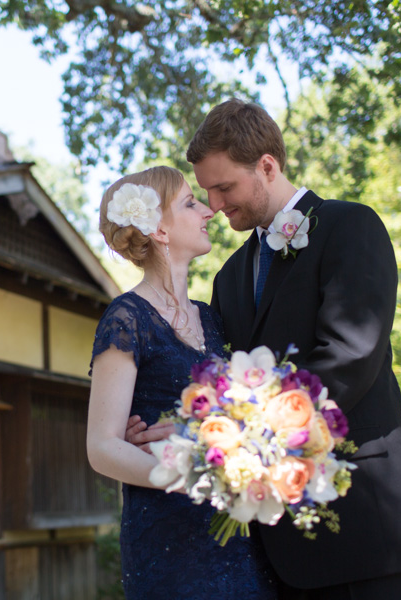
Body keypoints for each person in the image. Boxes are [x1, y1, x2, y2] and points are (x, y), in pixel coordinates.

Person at [130, 99, 401, 599]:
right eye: (206, 191)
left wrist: (240, 424)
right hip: (277, 543)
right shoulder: (229, 277)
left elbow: (351, 356)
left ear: (267, 165)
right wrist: (151, 422)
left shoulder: (350, 227)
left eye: (224, 187)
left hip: (369, 524)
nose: (213, 204)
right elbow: (216, 379)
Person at [87, 165, 278, 599]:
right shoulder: (127, 319)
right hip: (168, 542)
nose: (208, 212)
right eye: (190, 203)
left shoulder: (212, 318)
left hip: (237, 534)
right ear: (159, 230)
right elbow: (102, 446)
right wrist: (191, 473)